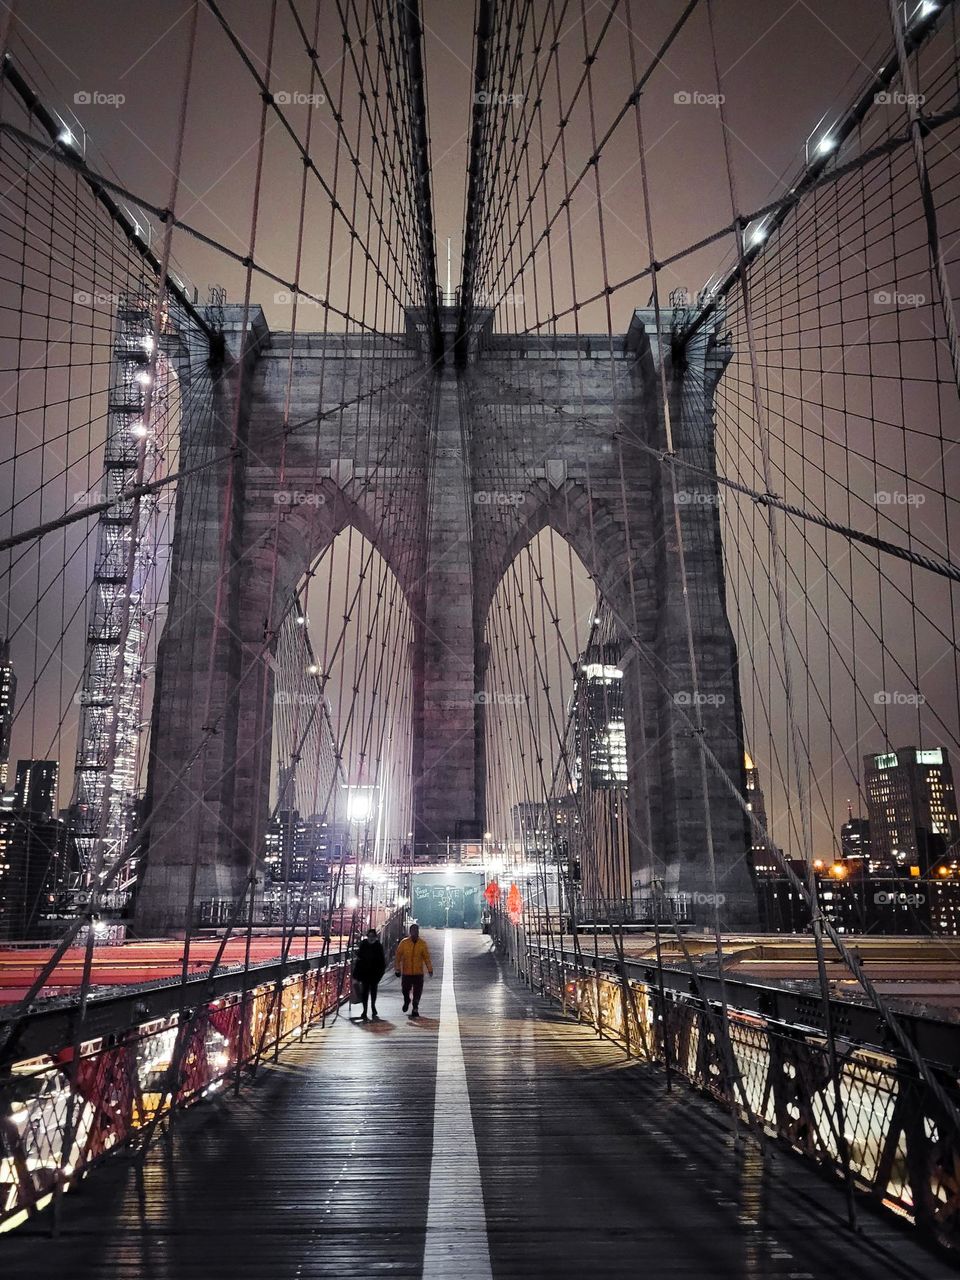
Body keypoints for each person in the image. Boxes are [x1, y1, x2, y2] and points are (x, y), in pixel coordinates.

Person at [394, 922, 433, 1018]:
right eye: (413, 931)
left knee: (417, 991)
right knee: (405, 989)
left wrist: (430, 969)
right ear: (410, 932)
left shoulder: (422, 944)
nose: (415, 933)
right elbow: (398, 956)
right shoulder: (404, 943)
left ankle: (415, 1007)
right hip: (406, 972)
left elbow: (426, 957)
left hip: (418, 972)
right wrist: (397, 969)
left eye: (416, 931)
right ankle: (407, 1000)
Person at [352, 926, 386, 1022]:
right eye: (369, 936)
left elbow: (382, 961)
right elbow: (359, 959)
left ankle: (373, 1006)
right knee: (365, 992)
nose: (371, 938)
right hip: (365, 973)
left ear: (375, 937)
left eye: (373, 936)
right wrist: (357, 974)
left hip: (374, 973)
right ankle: (365, 1010)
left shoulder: (378, 946)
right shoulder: (363, 945)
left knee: (373, 991)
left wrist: (380, 973)